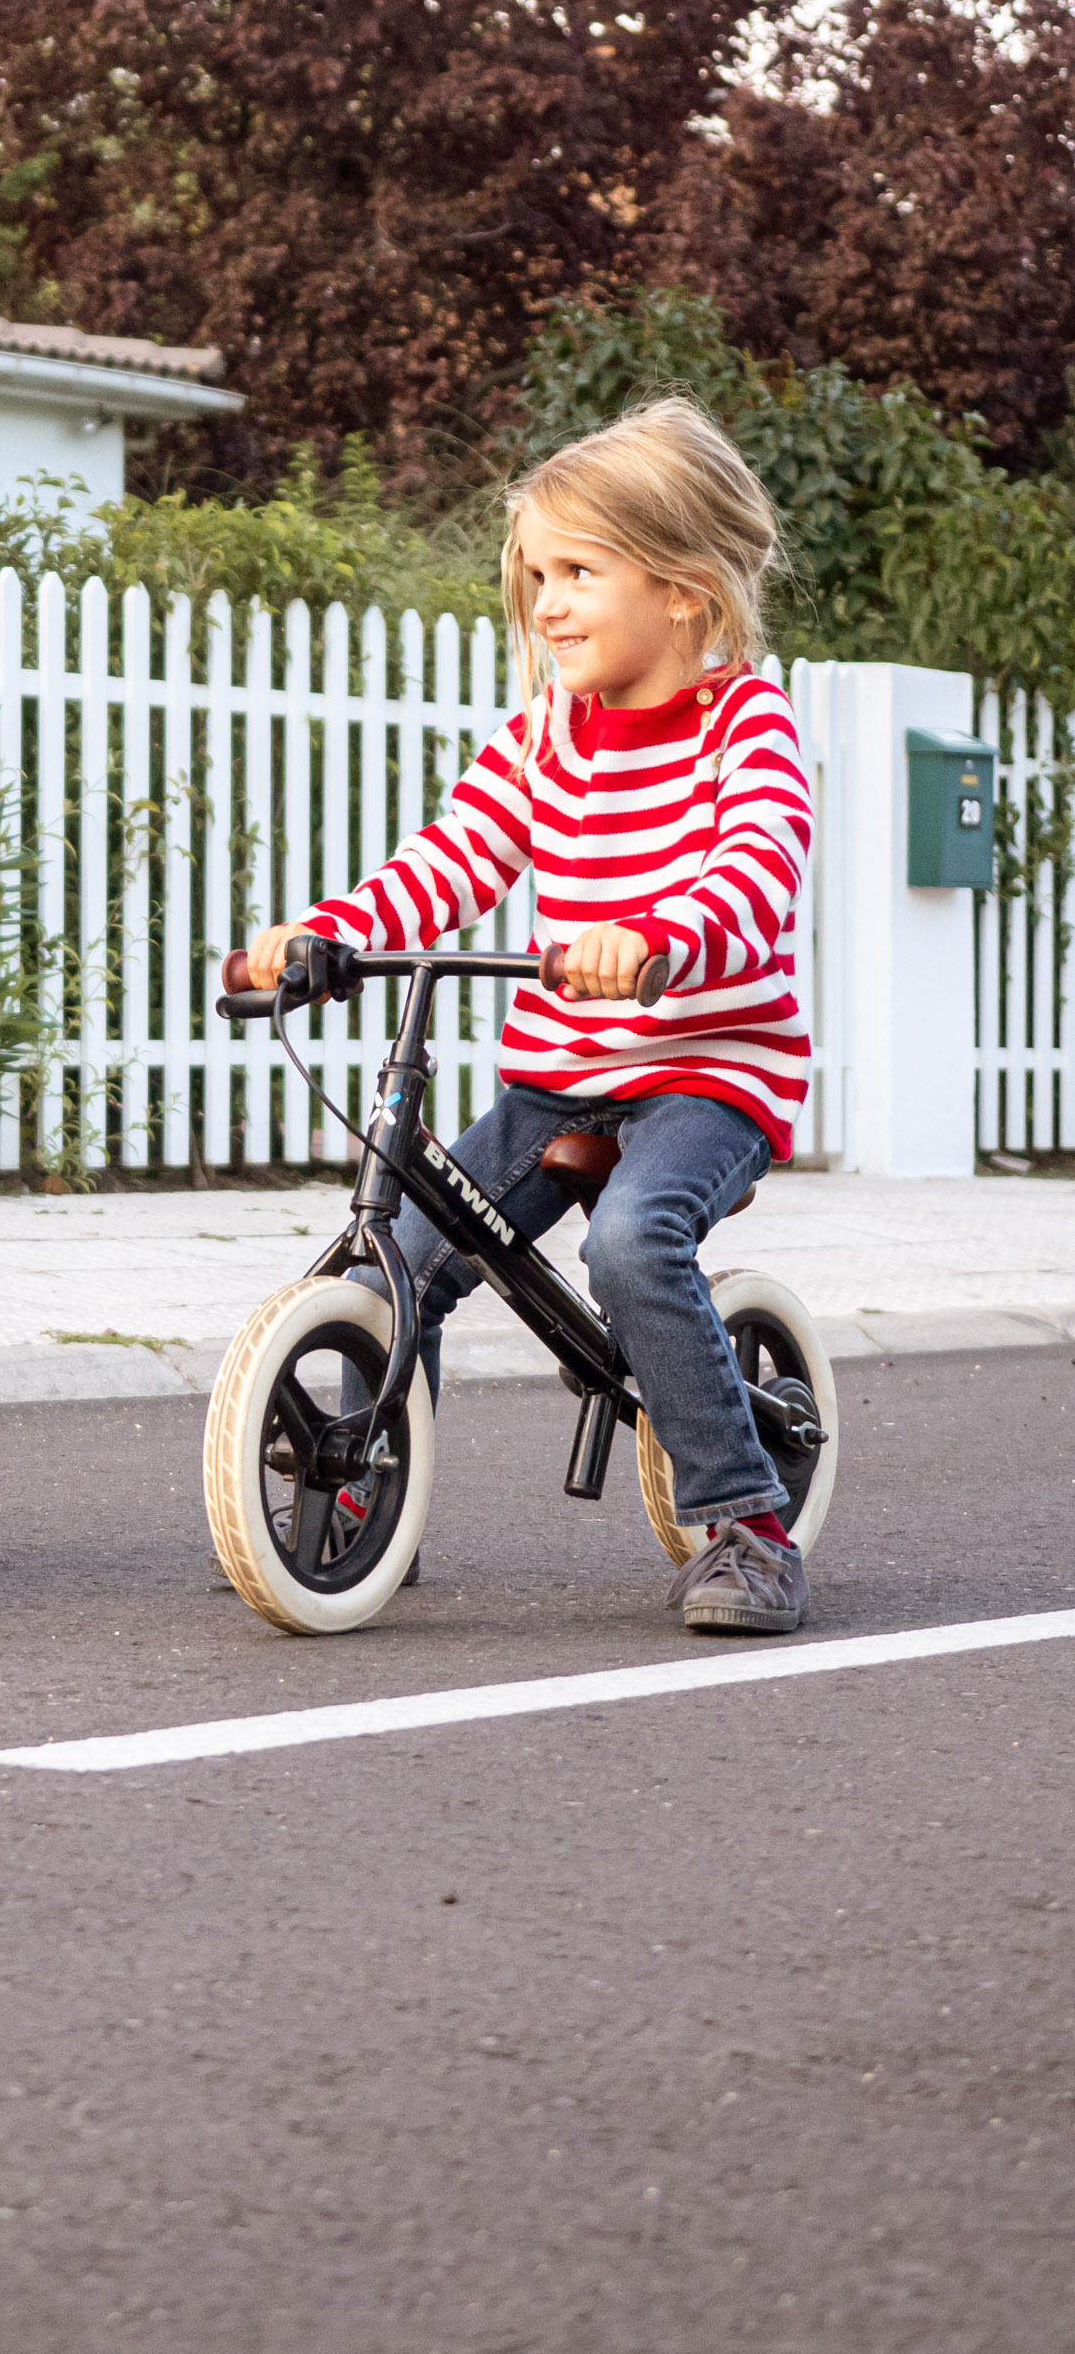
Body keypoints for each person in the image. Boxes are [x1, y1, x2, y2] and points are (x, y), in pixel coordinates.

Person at [245, 397, 816, 1635]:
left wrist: (657, 941)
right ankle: (363, 1498)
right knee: (397, 1246)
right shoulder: (544, 738)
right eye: (536, 576)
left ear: (681, 590)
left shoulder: (745, 729)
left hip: (705, 1073)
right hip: (560, 1073)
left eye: (577, 572)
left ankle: (743, 1524)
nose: (545, 603)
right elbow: (448, 859)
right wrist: (324, 935)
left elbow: (755, 873)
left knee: (629, 1244)